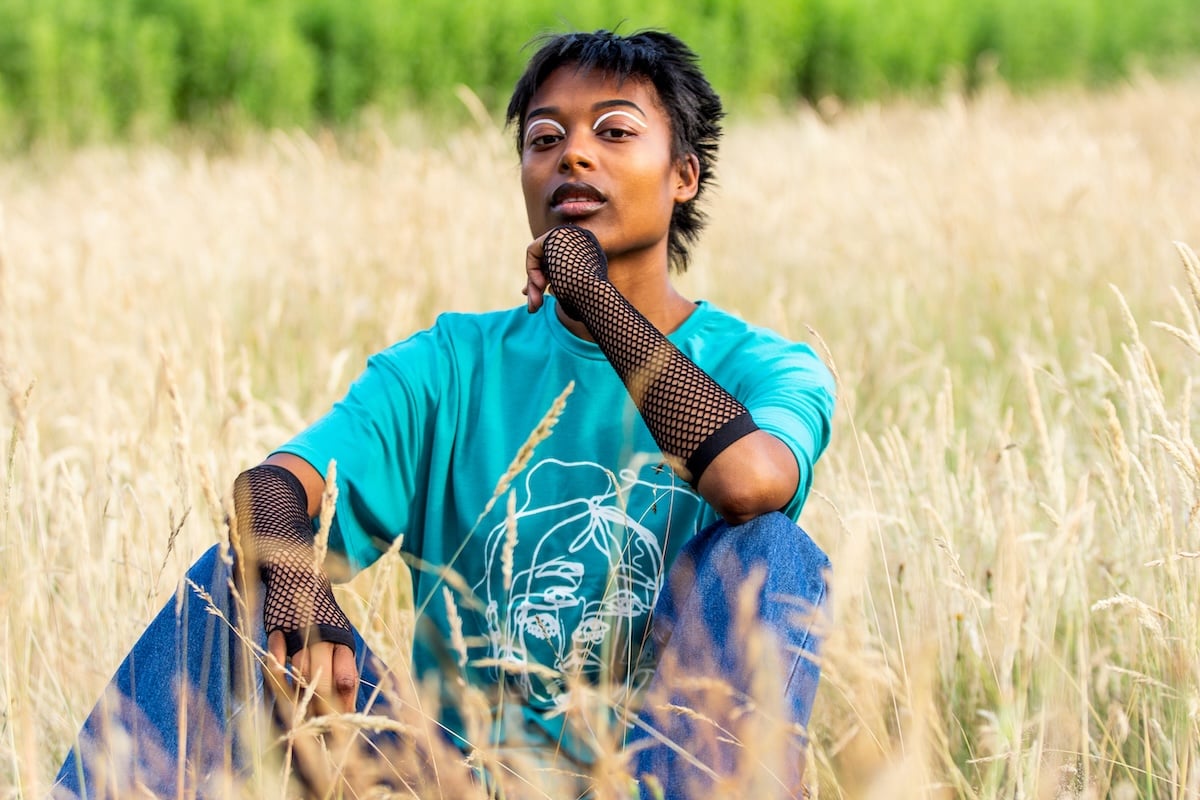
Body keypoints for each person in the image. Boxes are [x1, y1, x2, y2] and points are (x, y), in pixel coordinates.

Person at [54, 29, 835, 799]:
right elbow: (271, 486)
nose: (573, 155)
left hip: (662, 777)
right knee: (235, 579)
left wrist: (592, 294)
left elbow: (751, 485)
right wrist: (293, 574)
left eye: (615, 131)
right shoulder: (452, 365)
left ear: (684, 178)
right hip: (453, 781)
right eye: (543, 138)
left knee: (771, 550)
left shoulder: (764, 367)